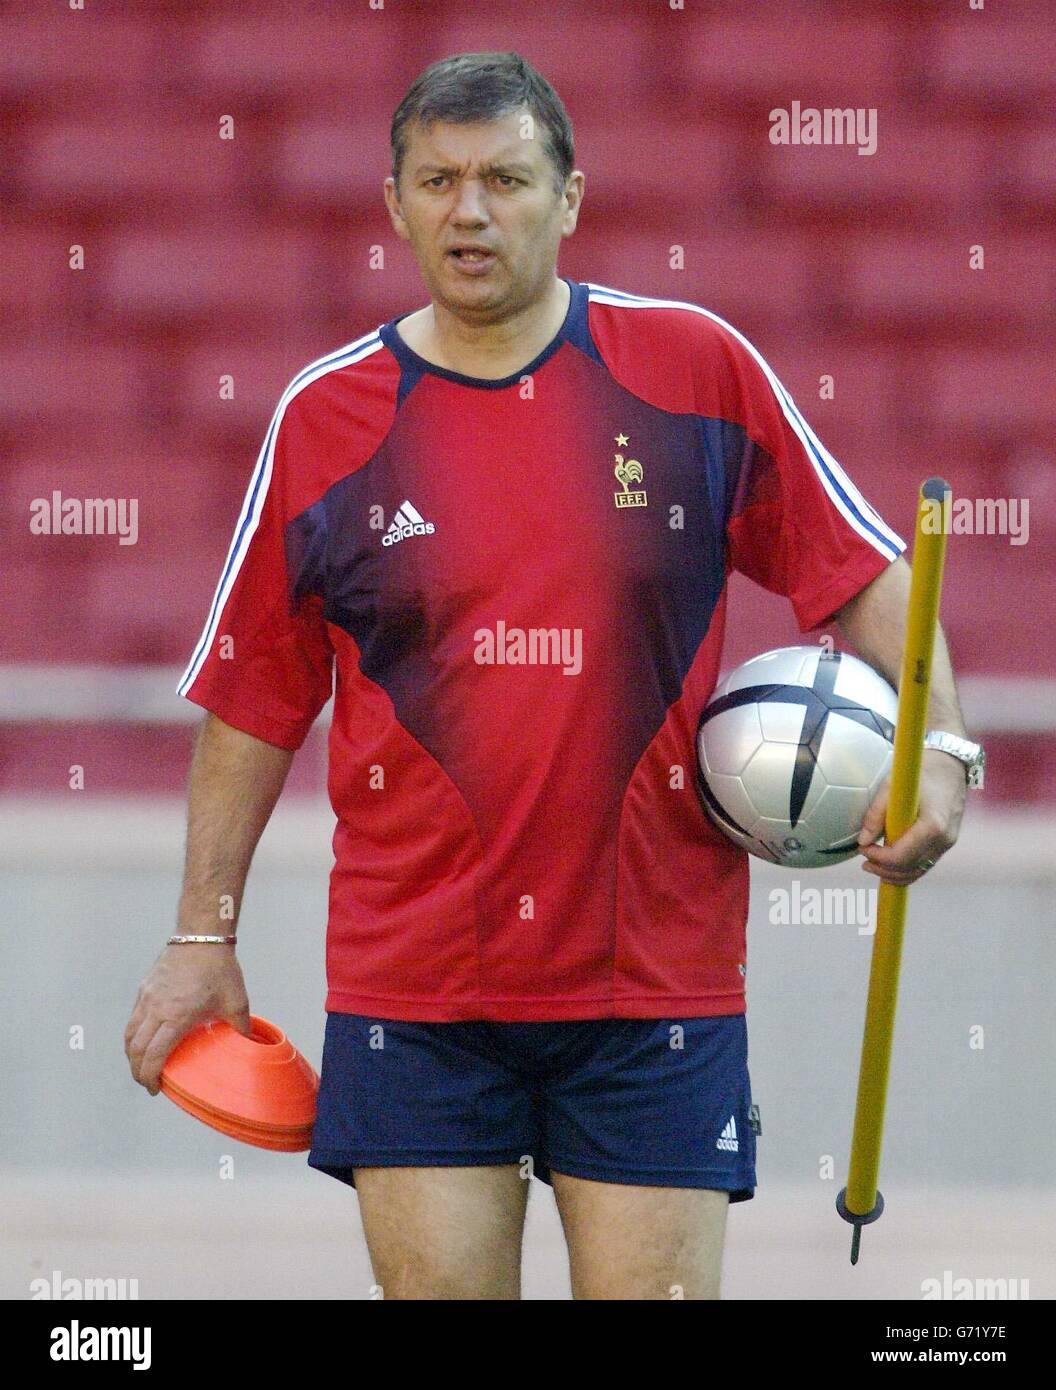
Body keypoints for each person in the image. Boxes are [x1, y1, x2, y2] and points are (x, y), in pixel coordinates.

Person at [124, 51, 983, 1300]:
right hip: (414, 986)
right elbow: (255, 704)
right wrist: (202, 936)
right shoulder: (326, 417)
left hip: (656, 986)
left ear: (571, 198)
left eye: (508, 180)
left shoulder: (696, 370)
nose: (472, 212)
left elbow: (866, 572)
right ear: (395, 204)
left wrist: (946, 750)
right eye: (440, 181)